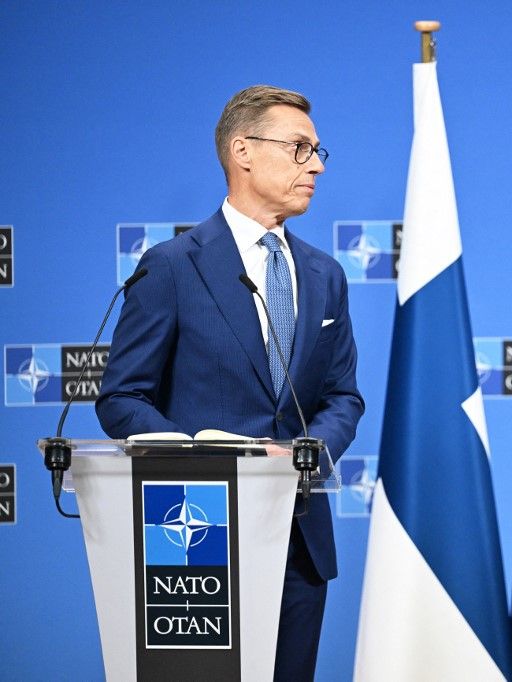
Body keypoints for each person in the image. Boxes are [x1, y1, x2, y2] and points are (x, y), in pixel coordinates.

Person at [96, 85, 364, 681]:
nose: (316, 164)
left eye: (319, 151)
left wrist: (303, 454)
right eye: (299, 148)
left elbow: (342, 396)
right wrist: (212, 460)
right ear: (242, 151)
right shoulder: (172, 265)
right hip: (194, 535)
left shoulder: (326, 274)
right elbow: (120, 399)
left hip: (298, 541)